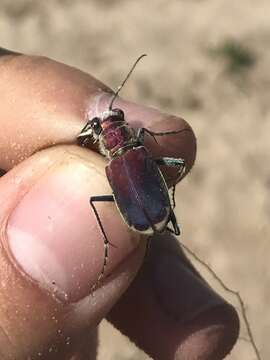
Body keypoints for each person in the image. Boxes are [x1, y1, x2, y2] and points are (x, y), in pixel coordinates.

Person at [0, 48, 239, 359]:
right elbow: (176, 165)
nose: (111, 125)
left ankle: (105, 247)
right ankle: (112, 242)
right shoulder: (141, 148)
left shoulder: (109, 164)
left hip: (139, 211)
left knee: (92, 195)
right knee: (172, 166)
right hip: (150, 207)